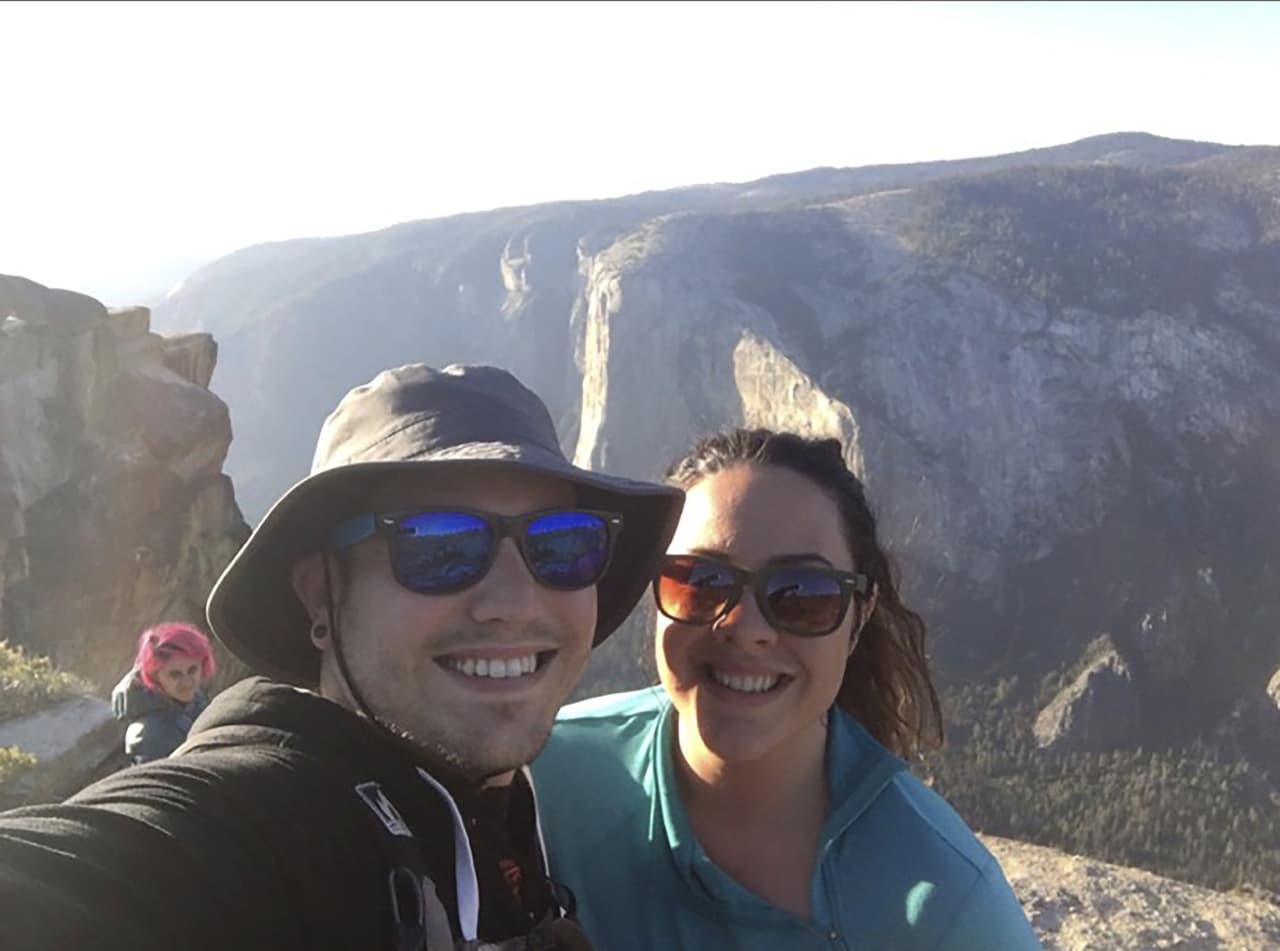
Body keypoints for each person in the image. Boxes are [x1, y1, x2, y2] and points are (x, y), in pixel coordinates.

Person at [0, 363, 683, 951]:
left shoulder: (511, 818)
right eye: (438, 545)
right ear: (319, 593)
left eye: (563, 543)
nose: (513, 600)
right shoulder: (262, 825)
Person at [532, 428, 1043, 951]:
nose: (747, 628)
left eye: (804, 595)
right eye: (701, 581)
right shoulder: (542, 783)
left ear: (858, 620)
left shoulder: (944, 907)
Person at [111, 622, 217, 764]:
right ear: (155, 676)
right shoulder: (150, 735)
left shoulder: (189, 698)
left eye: (192, 670)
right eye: (175, 675)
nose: (187, 682)